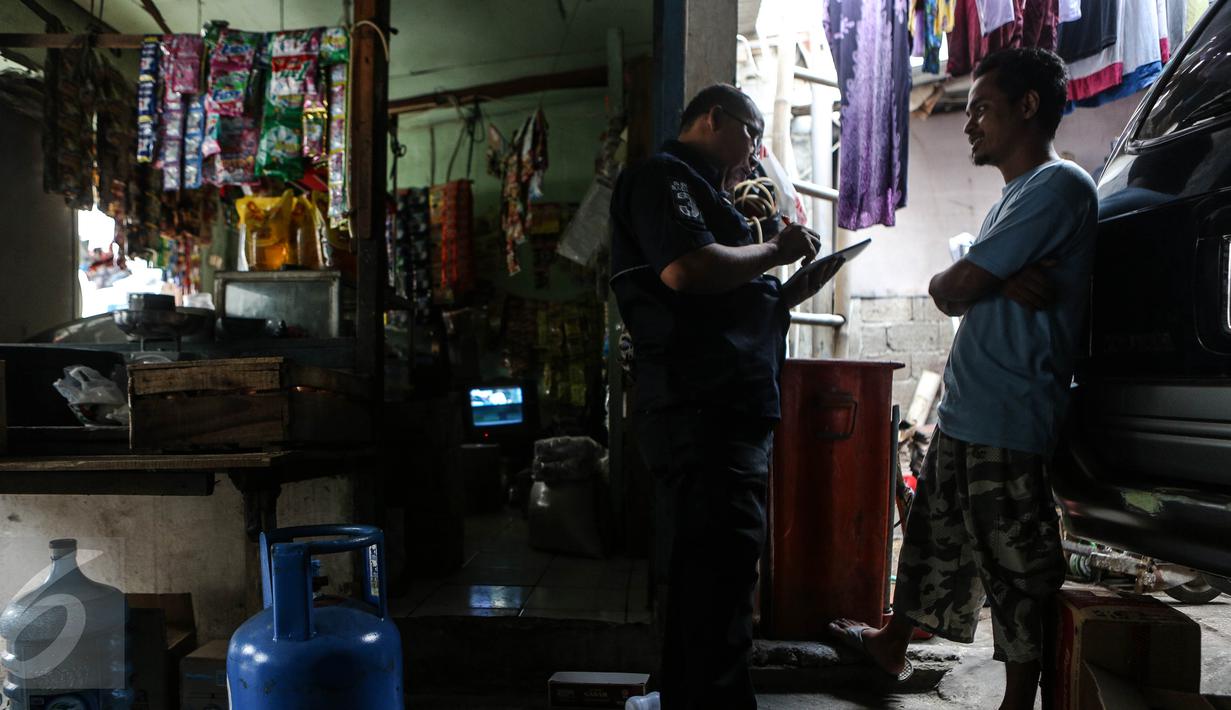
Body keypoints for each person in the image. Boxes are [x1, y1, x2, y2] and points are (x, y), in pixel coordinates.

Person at [827, 48, 1098, 710]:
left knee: (1014, 563)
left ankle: (1018, 699)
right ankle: (891, 645)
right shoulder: (1017, 197)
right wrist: (990, 277)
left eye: (979, 107)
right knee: (931, 541)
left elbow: (951, 290)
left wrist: (982, 278)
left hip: (1008, 412)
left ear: (1026, 107)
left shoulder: (1057, 186)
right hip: (968, 410)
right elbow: (962, 283)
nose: (968, 122)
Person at [610, 84, 837, 710]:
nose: (753, 153)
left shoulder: (705, 191)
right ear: (713, 118)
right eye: (750, 133)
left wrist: (784, 290)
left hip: (718, 409)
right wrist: (778, 251)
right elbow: (686, 271)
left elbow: (718, 298)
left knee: (706, 583)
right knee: (721, 584)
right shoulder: (664, 177)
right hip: (701, 411)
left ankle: (689, 700)